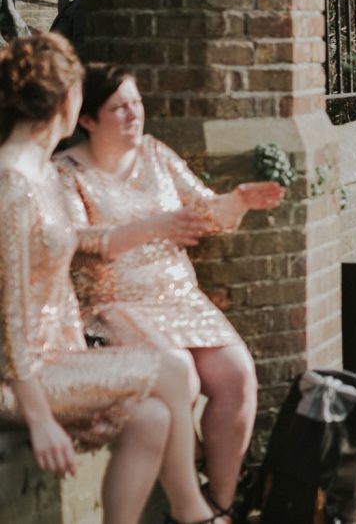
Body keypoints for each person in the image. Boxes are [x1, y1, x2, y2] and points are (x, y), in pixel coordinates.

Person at [0, 34, 225, 524]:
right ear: (65, 102)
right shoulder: (13, 185)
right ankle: (195, 514)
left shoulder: (38, 170)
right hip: (22, 376)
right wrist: (39, 421)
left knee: (153, 419)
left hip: (58, 356)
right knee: (168, 370)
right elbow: (11, 319)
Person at [55, 64, 284, 518]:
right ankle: (189, 503)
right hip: (112, 301)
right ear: (87, 119)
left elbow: (201, 211)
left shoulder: (156, 154)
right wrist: (152, 227)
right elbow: (75, 241)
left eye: (137, 103)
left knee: (237, 374)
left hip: (179, 297)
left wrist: (236, 201)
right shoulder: (66, 173)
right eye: (119, 107)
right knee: (183, 373)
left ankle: (219, 503)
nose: (133, 115)